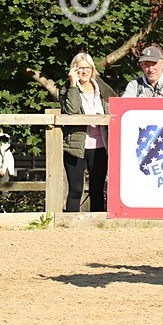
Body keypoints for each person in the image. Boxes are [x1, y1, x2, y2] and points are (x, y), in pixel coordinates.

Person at [61, 52, 117, 212]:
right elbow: (71, 111)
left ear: (92, 69)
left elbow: (115, 106)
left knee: (97, 191)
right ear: (73, 70)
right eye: (79, 68)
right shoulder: (67, 89)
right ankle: (70, 227)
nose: (84, 72)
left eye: (87, 68)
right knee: (76, 191)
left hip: (100, 147)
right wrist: (73, 85)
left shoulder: (102, 88)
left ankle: (96, 228)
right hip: (76, 146)